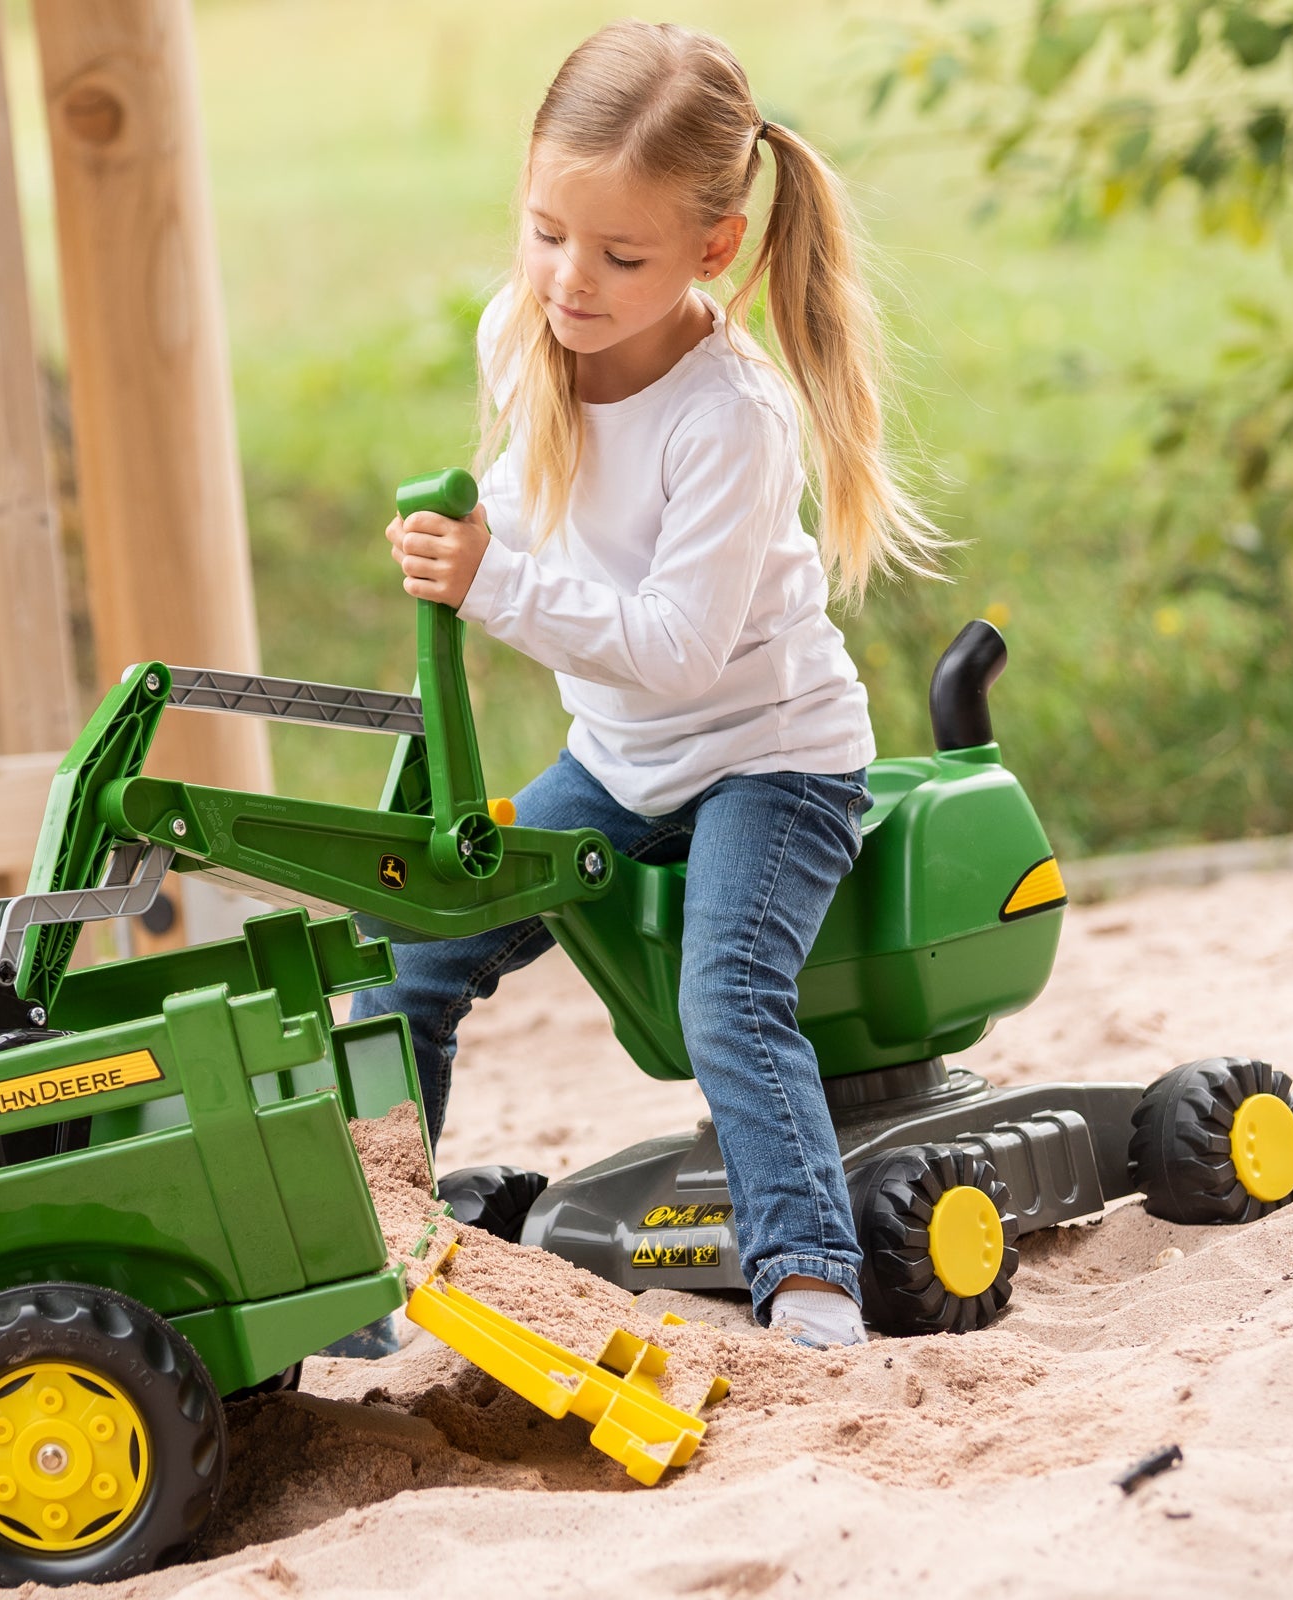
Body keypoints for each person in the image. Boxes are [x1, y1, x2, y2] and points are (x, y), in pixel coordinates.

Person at [352, 20, 943, 1348]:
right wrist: (470, 551)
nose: (570, 278)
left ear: (710, 249)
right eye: (546, 230)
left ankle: (805, 1281)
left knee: (724, 989)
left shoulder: (730, 416)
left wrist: (487, 578)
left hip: (765, 755)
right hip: (622, 761)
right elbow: (524, 511)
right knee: (415, 949)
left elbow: (676, 647)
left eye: (619, 256)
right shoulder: (523, 331)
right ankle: (368, 1256)